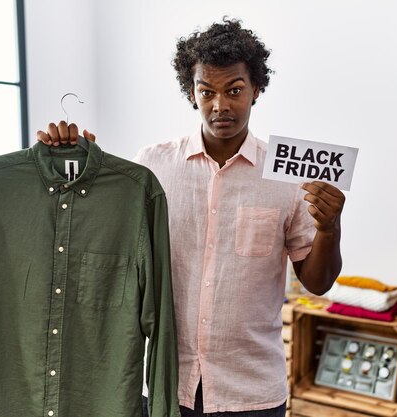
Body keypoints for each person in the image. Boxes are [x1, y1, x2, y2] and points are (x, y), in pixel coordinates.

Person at [37, 17, 344, 417]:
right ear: (191, 94)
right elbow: (102, 233)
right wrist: (74, 158)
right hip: (164, 384)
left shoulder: (285, 178)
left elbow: (317, 282)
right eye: (206, 92)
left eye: (234, 90)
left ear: (256, 90)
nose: (220, 105)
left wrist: (329, 227)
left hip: (252, 394)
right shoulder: (152, 165)